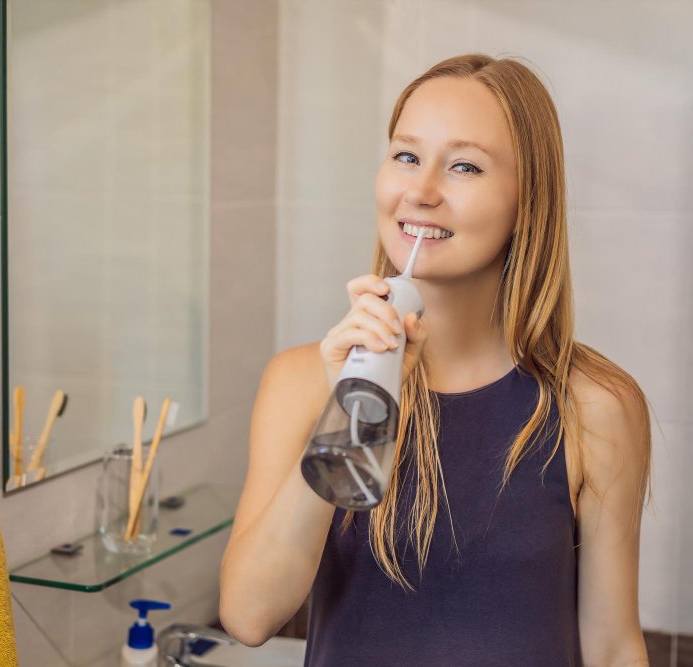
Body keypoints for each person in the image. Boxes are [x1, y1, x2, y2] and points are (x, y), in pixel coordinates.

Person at [220, 53, 653, 666]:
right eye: (405, 156)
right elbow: (249, 616)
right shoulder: (301, 383)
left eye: (465, 166)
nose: (420, 192)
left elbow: (611, 648)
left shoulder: (596, 406)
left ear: (528, 200)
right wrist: (349, 410)